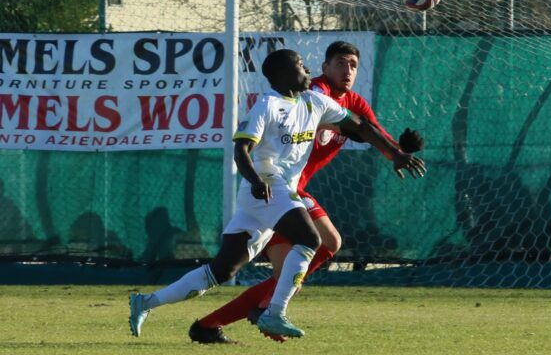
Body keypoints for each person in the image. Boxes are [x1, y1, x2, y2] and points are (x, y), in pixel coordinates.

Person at [129, 48, 426, 341]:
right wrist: (256, 179)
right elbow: (241, 150)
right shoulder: (267, 105)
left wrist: (395, 154)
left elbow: (359, 126)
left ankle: (145, 302)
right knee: (311, 239)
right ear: (283, 74)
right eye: (300, 65)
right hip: (267, 185)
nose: (307, 70)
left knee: (220, 270)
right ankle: (273, 312)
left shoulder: (314, 101)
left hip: (271, 194)